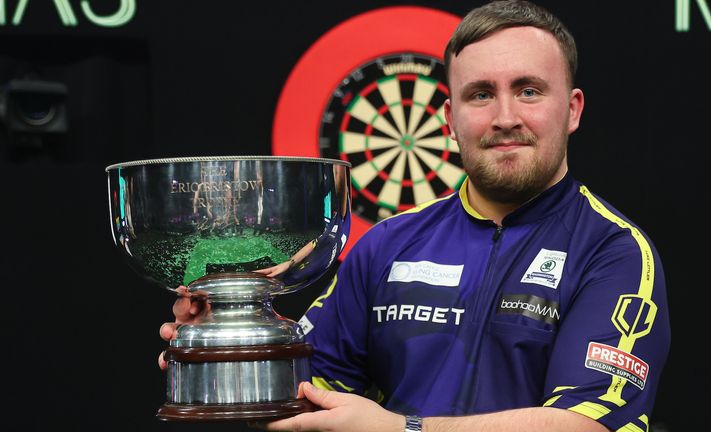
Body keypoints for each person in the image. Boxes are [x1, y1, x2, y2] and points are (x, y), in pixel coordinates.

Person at [160, 1, 670, 431]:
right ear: (449, 119)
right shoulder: (389, 243)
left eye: (530, 90)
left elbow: (585, 423)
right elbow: (308, 393)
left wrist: (404, 428)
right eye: (481, 94)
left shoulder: (612, 250)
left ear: (574, 109)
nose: (506, 117)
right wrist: (232, 342)